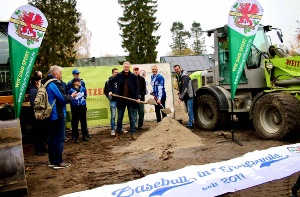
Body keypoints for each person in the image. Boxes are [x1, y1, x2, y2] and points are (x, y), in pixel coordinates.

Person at [42, 65, 77, 169]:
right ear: (55, 74)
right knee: (59, 139)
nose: (61, 76)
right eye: (60, 73)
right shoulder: (54, 83)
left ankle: (52, 160)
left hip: (49, 115)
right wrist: (71, 97)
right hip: (57, 115)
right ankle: (58, 162)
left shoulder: (45, 83)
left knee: (52, 138)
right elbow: (63, 99)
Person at [108, 61, 140, 141]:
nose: (126, 68)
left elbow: (136, 88)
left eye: (128, 67)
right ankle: (118, 134)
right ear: (123, 67)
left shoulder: (133, 76)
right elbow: (109, 82)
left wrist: (137, 98)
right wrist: (110, 91)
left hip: (130, 100)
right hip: (121, 100)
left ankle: (133, 134)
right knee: (119, 118)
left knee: (132, 118)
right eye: (125, 67)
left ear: (129, 68)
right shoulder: (119, 75)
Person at [66, 69, 90, 139]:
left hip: (82, 105)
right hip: (74, 105)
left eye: (78, 74)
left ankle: (85, 134)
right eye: (76, 74)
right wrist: (73, 101)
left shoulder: (82, 83)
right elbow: (68, 94)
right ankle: (74, 135)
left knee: (83, 120)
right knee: (74, 120)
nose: (77, 75)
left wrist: (82, 101)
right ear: (73, 75)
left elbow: (85, 94)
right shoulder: (69, 83)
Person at [104, 68, 128, 136]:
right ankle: (112, 129)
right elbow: (106, 91)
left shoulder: (120, 80)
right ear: (112, 73)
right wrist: (110, 97)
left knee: (120, 116)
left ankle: (120, 128)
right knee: (113, 116)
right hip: (113, 101)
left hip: (120, 100)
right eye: (115, 72)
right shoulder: (108, 81)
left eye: (117, 72)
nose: (116, 73)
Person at [28, 71, 48, 156]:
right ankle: (38, 149)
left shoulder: (38, 89)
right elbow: (33, 102)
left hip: (41, 113)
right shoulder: (33, 90)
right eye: (40, 81)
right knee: (38, 132)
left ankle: (42, 148)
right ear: (36, 82)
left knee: (42, 131)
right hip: (37, 114)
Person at [174, 64, 195, 129]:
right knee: (188, 110)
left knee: (190, 110)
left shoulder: (184, 76)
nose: (176, 70)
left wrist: (180, 98)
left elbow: (185, 88)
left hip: (189, 95)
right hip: (185, 96)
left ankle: (190, 124)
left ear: (180, 69)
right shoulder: (179, 76)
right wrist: (179, 92)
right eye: (175, 70)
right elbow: (181, 86)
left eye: (177, 69)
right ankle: (191, 122)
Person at [132, 66, 146, 130]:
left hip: (141, 99)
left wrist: (139, 96)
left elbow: (144, 89)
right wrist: (134, 97)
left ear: (139, 71)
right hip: (133, 99)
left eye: (137, 70)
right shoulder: (130, 79)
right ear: (133, 71)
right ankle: (134, 125)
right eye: (135, 70)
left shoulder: (142, 79)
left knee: (141, 112)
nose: (136, 71)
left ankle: (140, 125)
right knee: (134, 113)